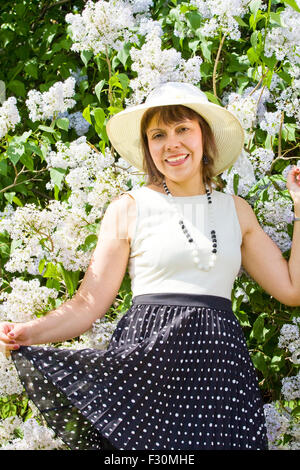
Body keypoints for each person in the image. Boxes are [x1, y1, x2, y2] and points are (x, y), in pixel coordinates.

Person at [1, 82, 300, 451]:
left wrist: (299, 209)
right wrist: (29, 333)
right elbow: (88, 302)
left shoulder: (237, 210)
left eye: (183, 129)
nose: (171, 143)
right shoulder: (128, 207)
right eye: (158, 134)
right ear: (148, 147)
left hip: (220, 372)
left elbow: (291, 289)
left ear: (204, 136)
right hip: (150, 368)